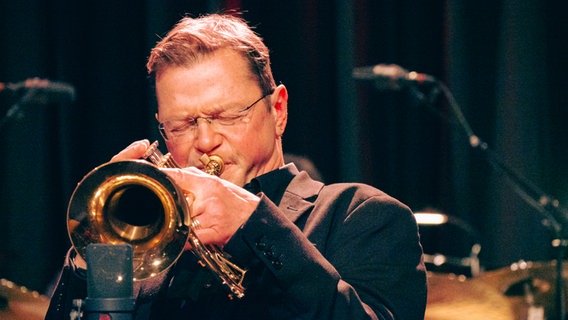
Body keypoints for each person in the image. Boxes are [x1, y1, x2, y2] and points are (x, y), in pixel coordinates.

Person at [45, 13, 427, 320]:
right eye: (182, 125)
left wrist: (256, 226)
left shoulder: (360, 216)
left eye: (226, 116)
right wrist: (95, 254)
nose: (206, 141)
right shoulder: (150, 252)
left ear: (278, 110)